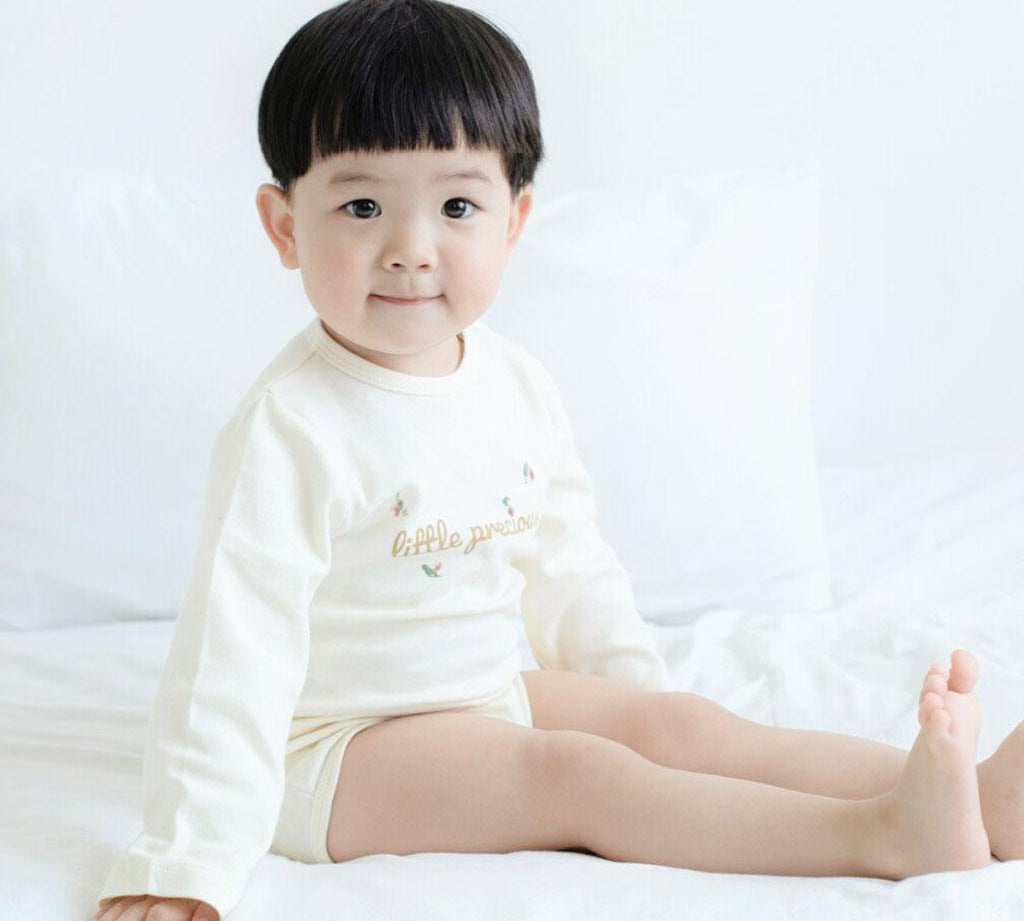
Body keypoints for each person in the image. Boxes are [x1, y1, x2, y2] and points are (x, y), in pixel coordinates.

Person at [90, 1, 1023, 919]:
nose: (411, 250)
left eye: (458, 205)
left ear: (514, 220)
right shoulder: (293, 427)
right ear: (286, 225)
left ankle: (974, 797)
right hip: (337, 751)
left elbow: (569, 568)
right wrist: (186, 859)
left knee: (677, 723)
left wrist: (642, 711)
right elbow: (228, 656)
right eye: (362, 205)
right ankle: (882, 834)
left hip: (484, 697)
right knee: (577, 774)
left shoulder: (513, 383)